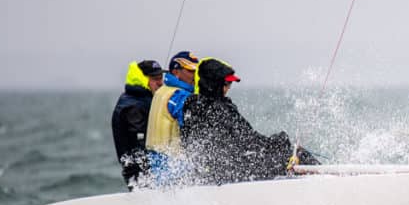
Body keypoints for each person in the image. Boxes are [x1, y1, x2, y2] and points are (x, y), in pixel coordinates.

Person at [181, 58, 319, 184]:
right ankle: (325, 179)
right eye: (227, 83)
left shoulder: (192, 106)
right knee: (295, 154)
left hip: (211, 174)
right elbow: (250, 141)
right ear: (214, 84)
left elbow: (189, 142)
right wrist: (280, 140)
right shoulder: (220, 109)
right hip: (234, 173)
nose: (229, 87)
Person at [111, 59, 164, 188]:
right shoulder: (134, 106)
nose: (161, 83)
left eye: (161, 77)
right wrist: (152, 174)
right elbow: (138, 147)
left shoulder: (140, 98)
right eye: (155, 79)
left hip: (142, 171)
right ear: (143, 79)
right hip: (139, 173)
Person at [146, 51, 199, 157]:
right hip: (171, 160)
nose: (195, 75)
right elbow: (192, 126)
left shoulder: (161, 91)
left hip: (153, 156)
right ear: (176, 72)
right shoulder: (180, 95)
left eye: (196, 71)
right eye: (190, 70)